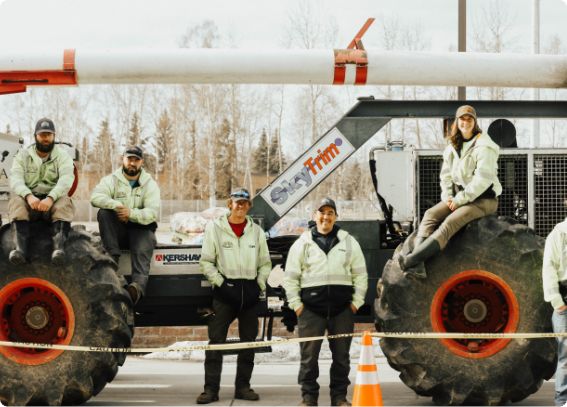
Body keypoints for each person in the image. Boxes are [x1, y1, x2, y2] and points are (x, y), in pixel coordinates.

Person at [398, 105, 502, 279]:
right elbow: (445, 175)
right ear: (457, 122)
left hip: (483, 200)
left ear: (475, 122)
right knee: (430, 214)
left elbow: (482, 181)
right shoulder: (453, 146)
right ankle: (419, 264)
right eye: (462, 119)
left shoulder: (485, 146)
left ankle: (410, 260)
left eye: (469, 119)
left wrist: (459, 199)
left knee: (449, 223)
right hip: (462, 198)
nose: (465, 122)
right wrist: (447, 196)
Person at [283, 198, 368, 407]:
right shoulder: (302, 243)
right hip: (311, 312)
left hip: (342, 311)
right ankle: (308, 398)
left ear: (336, 217)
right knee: (308, 358)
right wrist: (297, 306)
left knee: (341, 358)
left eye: (330, 213)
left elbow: (361, 275)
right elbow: (290, 278)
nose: (326, 217)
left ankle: (339, 398)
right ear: (315, 216)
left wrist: (355, 303)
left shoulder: (349, 242)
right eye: (322, 212)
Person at [197, 187, 272, 405]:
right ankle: (210, 390)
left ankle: (243, 387)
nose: (240, 206)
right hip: (224, 294)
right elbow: (206, 262)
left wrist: (258, 285)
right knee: (216, 343)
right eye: (237, 202)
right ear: (230, 204)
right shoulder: (215, 228)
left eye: (244, 203)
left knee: (249, 343)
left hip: (249, 295)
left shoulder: (256, 232)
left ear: (249, 206)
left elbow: (265, 263)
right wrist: (221, 284)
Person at [90, 145, 160, 305]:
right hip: (118, 234)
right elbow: (95, 197)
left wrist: (131, 214)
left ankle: (136, 290)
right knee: (104, 212)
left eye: (136, 160)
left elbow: (152, 213)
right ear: (123, 159)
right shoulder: (111, 180)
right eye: (129, 159)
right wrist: (116, 205)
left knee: (144, 248)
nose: (132, 163)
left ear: (141, 162)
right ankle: (113, 266)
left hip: (141, 231)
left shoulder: (150, 184)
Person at [8, 117, 75, 266]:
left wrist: (51, 198)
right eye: (42, 135)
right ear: (35, 136)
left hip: (52, 203)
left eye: (49, 135)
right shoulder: (22, 156)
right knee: (16, 201)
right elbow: (16, 179)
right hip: (30, 202)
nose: (45, 138)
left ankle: (59, 249)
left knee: (64, 202)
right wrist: (28, 196)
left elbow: (66, 180)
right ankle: (19, 250)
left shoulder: (63, 156)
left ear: (54, 136)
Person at [543, 219, 567, 406]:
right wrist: (558, 303)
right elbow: (549, 268)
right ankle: (563, 400)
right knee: (566, 356)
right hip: (564, 303)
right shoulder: (559, 233)